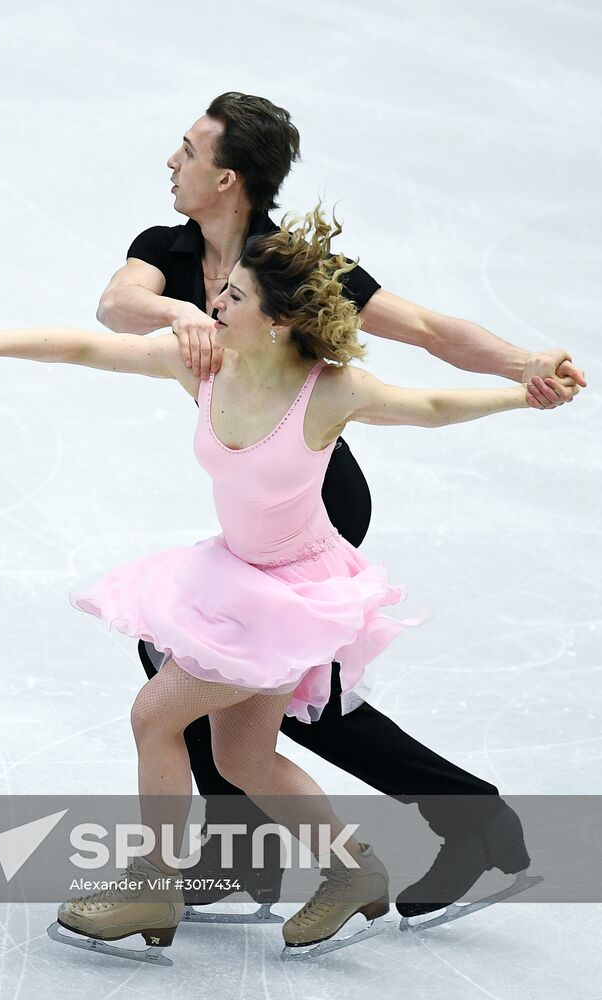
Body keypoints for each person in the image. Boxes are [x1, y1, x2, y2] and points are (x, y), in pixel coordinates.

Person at [0, 205, 578, 966]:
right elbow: (88, 346)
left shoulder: (329, 390)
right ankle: (353, 872)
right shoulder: (202, 363)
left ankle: (152, 885)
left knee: (156, 716)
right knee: (242, 762)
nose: (214, 304)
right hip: (235, 576)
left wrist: (526, 389)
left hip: (291, 594)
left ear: (280, 323)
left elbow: (432, 409)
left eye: (234, 299)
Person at [93, 92, 586, 927]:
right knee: (180, 655)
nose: (170, 162)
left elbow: (425, 328)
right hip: (258, 501)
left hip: (316, 506)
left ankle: (470, 819)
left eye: (187, 149)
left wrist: (521, 362)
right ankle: (236, 851)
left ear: (228, 176)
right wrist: (186, 314)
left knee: (286, 696)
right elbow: (115, 305)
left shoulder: (289, 272)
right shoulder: (166, 251)